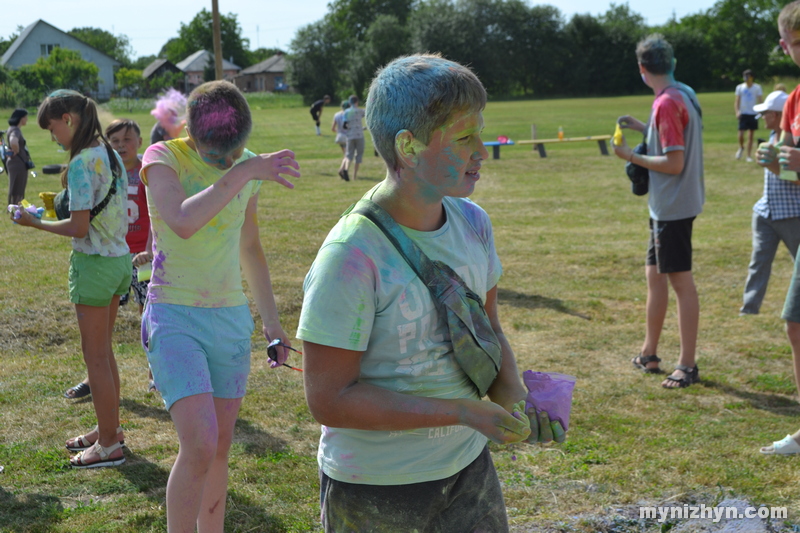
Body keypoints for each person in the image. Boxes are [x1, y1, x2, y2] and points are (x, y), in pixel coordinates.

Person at [298, 54, 563, 532]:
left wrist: (515, 400)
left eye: (480, 133)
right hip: (375, 488)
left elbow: (489, 328)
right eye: (464, 138)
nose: (482, 150)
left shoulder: (473, 223)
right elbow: (329, 398)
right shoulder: (351, 256)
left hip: (468, 471)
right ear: (409, 146)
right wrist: (462, 411)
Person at [140, 80, 300, 531]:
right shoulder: (163, 159)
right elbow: (184, 221)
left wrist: (272, 324)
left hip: (229, 320)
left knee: (221, 445)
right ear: (190, 132)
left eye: (236, 154)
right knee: (200, 443)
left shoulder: (246, 167)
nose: (228, 162)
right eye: (218, 157)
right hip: (174, 316)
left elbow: (250, 246)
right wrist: (244, 172)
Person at [9, 89, 130, 468]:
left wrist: (35, 223)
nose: (53, 138)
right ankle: (108, 427)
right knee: (104, 354)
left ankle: (109, 444)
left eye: (52, 129)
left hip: (94, 266)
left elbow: (79, 227)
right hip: (118, 262)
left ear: (68, 119)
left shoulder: (81, 163)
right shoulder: (110, 153)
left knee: (95, 358)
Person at [612, 34, 704, 389]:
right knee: (654, 276)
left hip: (673, 207)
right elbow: (674, 136)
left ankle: (687, 364)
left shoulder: (666, 103)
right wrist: (643, 128)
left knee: (681, 282)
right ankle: (649, 352)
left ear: (641, 69)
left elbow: (674, 162)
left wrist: (631, 156)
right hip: (670, 205)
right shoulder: (684, 93)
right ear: (673, 63)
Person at [64, 119, 155, 399]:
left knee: (150, 319)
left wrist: (151, 249)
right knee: (100, 329)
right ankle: (95, 378)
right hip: (111, 255)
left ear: (139, 142)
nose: (120, 146)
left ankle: (158, 372)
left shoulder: (148, 172)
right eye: (114, 141)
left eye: (127, 140)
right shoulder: (105, 168)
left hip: (142, 257)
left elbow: (155, 214)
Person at [758, 0, 800, 455]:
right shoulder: (794, 100)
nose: (785, 49)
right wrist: (774, 162)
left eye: (786, 42)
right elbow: (790, 164)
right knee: (797, 325)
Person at [741, 90, 800, 316]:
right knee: (759, 262)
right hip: (767, 211)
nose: (763, 117)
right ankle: (749, 309)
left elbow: (794, 179)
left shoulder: (793, 140)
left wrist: (770, 165)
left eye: (766, 113)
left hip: (792, 213)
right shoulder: (774, 139)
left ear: (777, 115)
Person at [735, 69, 763, 162]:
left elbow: (760, 100)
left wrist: (761, 111)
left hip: (753, 113)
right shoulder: (740, 87)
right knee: (741, 134)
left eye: (748, 76)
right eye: (745, 76)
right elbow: (737, 101)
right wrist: (737, 111)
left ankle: (748, 155)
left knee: (751, 135)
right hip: (743, 113)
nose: (746, 78)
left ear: (752, 77)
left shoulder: (757, 87)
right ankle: (741, 147)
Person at [6, 108, 32, 205]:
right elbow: (13, 141)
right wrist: (16, 150)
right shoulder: (16, 130)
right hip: (18, 163)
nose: (27, 119)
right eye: (26, 117)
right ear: (21, 118)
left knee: (15, 186)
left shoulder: (11, 128)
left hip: (15, 163)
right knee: (18, 187)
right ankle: (16, 209)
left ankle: (14, 208)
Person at [340, 94, 366, 181]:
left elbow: (344, 126)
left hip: (350, 135)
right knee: (358, 155)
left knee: (349, 155)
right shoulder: (360, 111)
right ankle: (354, 176)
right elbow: (367, 114)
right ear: (357, 102)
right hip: (359, 135)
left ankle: (346, 169)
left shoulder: (346, 112)